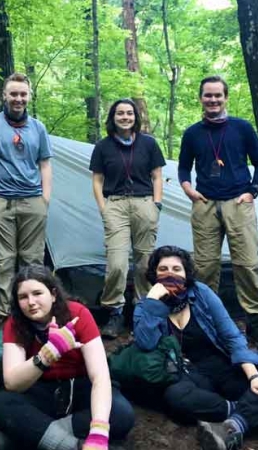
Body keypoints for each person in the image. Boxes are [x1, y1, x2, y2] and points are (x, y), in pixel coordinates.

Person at [133, 246, 258, 450]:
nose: (170, 274)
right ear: (154, 274)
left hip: (220, 364)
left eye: (177, 269)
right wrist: (153, 302)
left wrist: (254, 377)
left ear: (186, 273)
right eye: (163, 269)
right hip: (186, 372)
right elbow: (145, 343)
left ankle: (232, 426)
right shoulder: (146, 306)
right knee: (175, 399)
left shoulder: (201, 293)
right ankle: (251, 412)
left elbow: (231, 336)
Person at [0, 265, 135, 450]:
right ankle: (73, 446)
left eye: (37, 293)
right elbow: (12, 382)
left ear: (53, 294)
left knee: (121, 414)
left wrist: (98, 432)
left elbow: (100, 376)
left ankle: (38, 435)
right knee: (0, 403)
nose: (31, 302)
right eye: (23, 297)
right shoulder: (15, 324)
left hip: (79, 387)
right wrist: (46, 355)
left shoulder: (78, 314)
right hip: (41, 390)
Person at [178, 75, 258, 350]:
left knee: (247, 265)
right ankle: (205, 322)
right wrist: (188, 189)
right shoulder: (193, 133)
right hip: (205, 204)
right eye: (208, 95)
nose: (213, 100)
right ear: (200, 98)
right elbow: (184, 167)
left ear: (225, 97)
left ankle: (254, 323)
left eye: (218, 95)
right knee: (205, 267)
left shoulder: (242, 128)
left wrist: (252, 191)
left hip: (238, 202)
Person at [0, 72, 53, 319]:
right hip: (0, 200)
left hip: (32, 200)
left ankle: (34, 315)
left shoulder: (38, 128)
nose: (18, 99)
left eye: (23, 94)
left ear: (29, 96)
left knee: (32, 261)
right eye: (13, 94)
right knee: (4, 261)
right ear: (4, 96)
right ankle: (5, 317)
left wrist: (45, 199)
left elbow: (45, 164)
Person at [89, 98, 165, 338]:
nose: (125, 117)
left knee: (145, 262)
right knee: (117, 264)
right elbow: (97, 181)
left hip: (144, 203)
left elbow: (157, 176)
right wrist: (104, 208)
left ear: (135, 117)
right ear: (112, 117)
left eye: (129, 113)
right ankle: (115, 311)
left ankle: (143, 310)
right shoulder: (103, 146)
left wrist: (156, 205)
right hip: (116, 205)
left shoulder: (149, 144)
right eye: (120, 113)